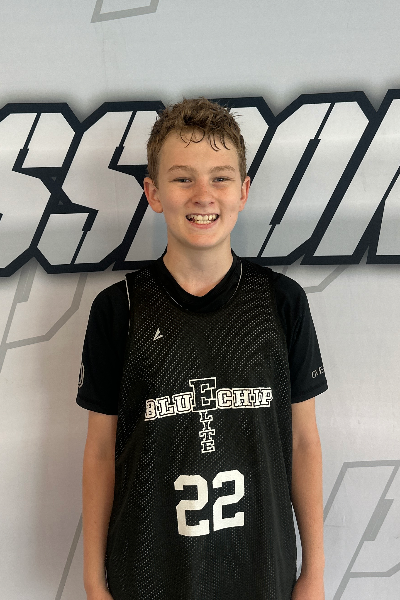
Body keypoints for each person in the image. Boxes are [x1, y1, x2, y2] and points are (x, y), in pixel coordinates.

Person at [77, 98, 327, 600]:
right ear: (153, 192)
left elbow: (303, 442)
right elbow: (101, 452)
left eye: (220, 177)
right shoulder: (119, 308)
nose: (203, 195)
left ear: (244, 190)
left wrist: (314, 573)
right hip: (148, 575)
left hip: (261, 572)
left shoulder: (281, 302)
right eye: (182, 178)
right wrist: (92, 580)